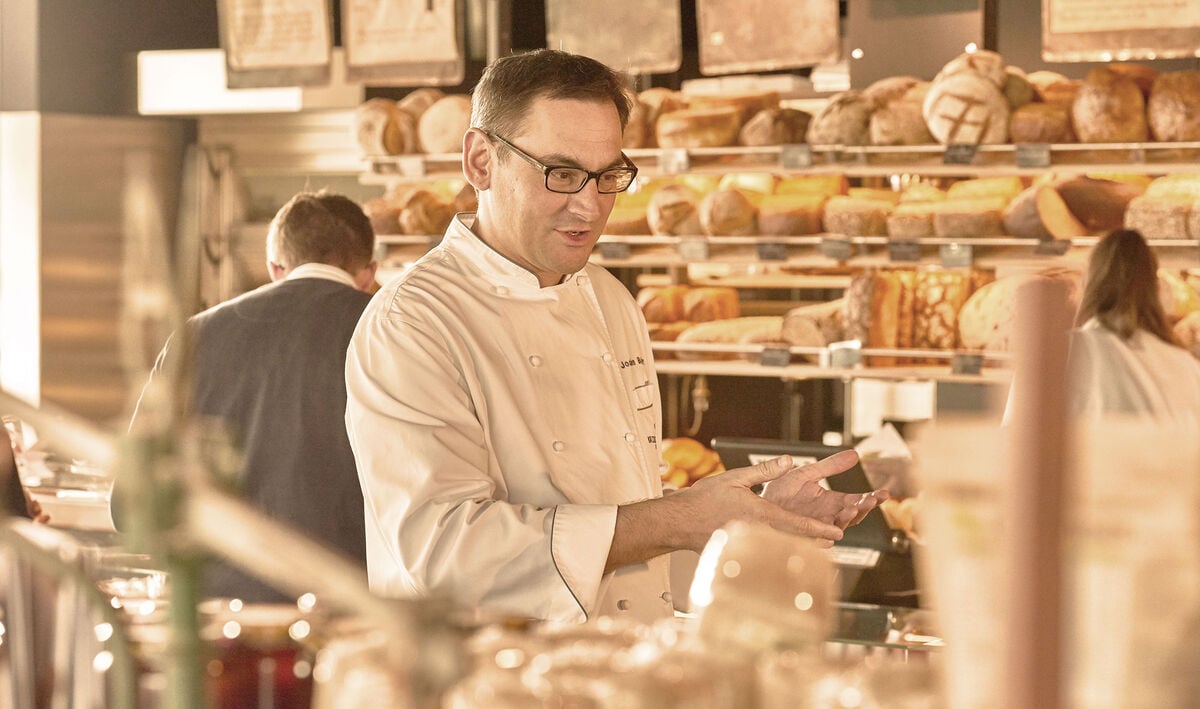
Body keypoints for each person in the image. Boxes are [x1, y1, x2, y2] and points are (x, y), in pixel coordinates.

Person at [345, 49, 886, 624]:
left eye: (608, 176)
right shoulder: (413, 323)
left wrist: (750, 521)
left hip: (622, 667)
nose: (590, 205)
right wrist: (682, 517)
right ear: (480, 162)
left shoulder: (610, 300)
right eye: (562, 173)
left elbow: (632, 533)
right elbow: (443, 557)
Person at [132, 190, 377, 602]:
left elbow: (132, 499)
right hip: (350, 605)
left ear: (274, 267)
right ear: (369, 272)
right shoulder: (389, 332)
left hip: (217, 608)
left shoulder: (193, 336)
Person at [1068, 228, 1200, 418]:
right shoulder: (1186, 366)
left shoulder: (1061, 353)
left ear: (1088, 283)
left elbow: (1013, 437)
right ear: (1155, 288)